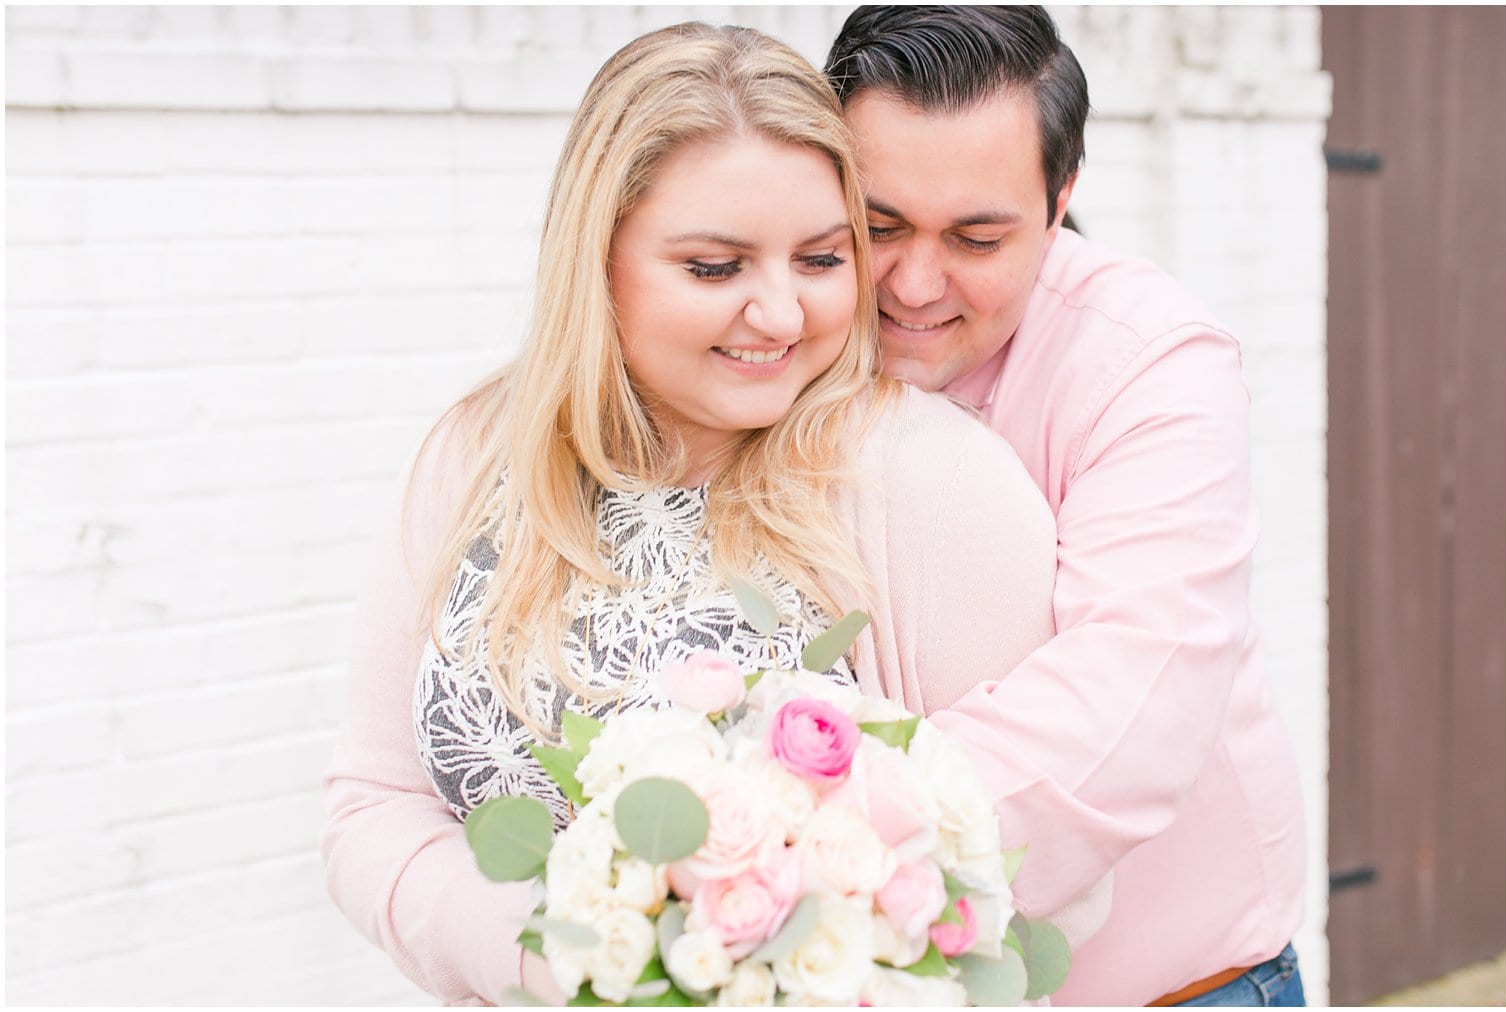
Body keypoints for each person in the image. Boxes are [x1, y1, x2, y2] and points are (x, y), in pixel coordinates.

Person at [320, 21, 1068, 1005]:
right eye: (716, 268)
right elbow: (371, 808)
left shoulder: (928, 482)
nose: (781, 315)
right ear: (599, 258)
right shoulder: (476, 454)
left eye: (818, 259)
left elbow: (996, 884)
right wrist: (569, 957)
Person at [824, 6, 1309, 1007]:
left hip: (1170, 989)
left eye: (975, 236)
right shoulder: (784, 342)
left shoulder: (1151, 363)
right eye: (878, 227)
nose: (914, 285)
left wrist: (816, 876)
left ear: (1061, 198)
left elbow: (1125, 703)